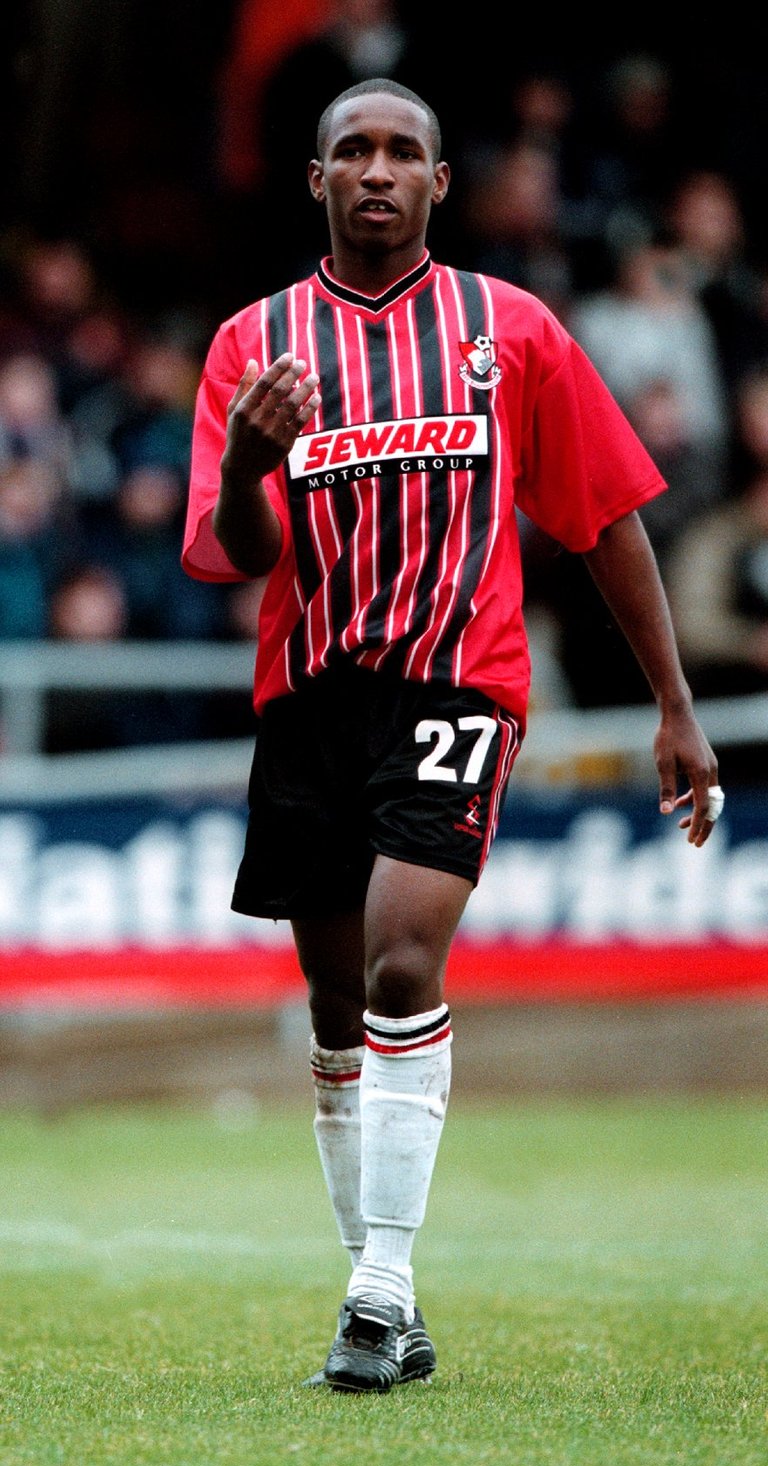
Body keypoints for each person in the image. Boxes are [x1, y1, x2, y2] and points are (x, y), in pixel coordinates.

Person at [182, 78, 722, 1393]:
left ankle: (377, 1294)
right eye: (353, 151)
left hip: (457, 687)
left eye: (402, 151)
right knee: (332, 1006)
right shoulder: (253, 343)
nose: (377, 170)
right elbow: (229, 552)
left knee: (400, 958)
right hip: (309, 700)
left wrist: (674, 703)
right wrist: (249, 466)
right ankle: (385, 1290)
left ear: (436, 181)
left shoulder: (511, 330)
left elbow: (604, 518)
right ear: (317, 179)